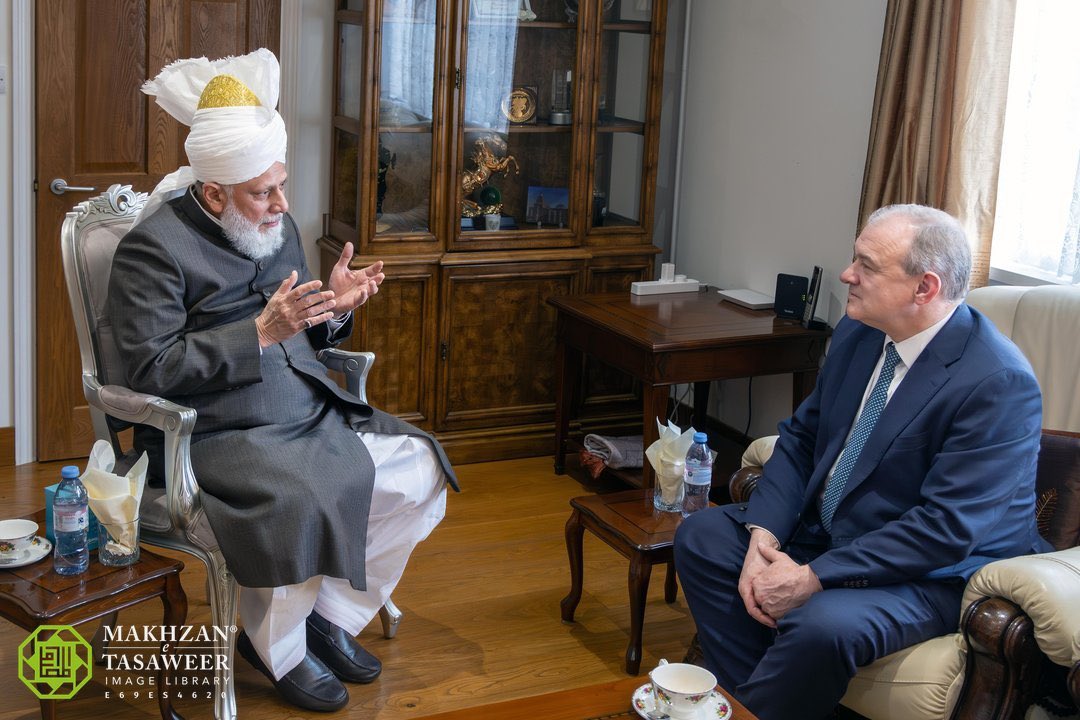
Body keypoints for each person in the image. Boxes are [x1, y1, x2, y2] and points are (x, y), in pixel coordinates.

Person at [107, 49, 458, 713]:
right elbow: (149, 370)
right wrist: (259, 334)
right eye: (262, 192)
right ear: (213, 193)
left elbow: (298, 326)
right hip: (219, 431)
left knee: (422, 472)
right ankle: (280, 652)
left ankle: (328, 619)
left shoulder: (276, 226)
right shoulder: (151, 250)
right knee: (306, 498)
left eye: (281, 185)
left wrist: (334, 308)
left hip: (305, 410)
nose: (282, 205)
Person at [674, 204, 1049, 720]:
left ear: (925, 288)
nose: (848, 275)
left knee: (822, 624)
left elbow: (945, 527)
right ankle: (746, 705)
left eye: (867, 266)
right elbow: (803, 437)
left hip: (933, 571)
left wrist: (812, 578)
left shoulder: (997, 383)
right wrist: (765, 534)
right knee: (704, 538)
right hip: (835, 532)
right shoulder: (860, 333)